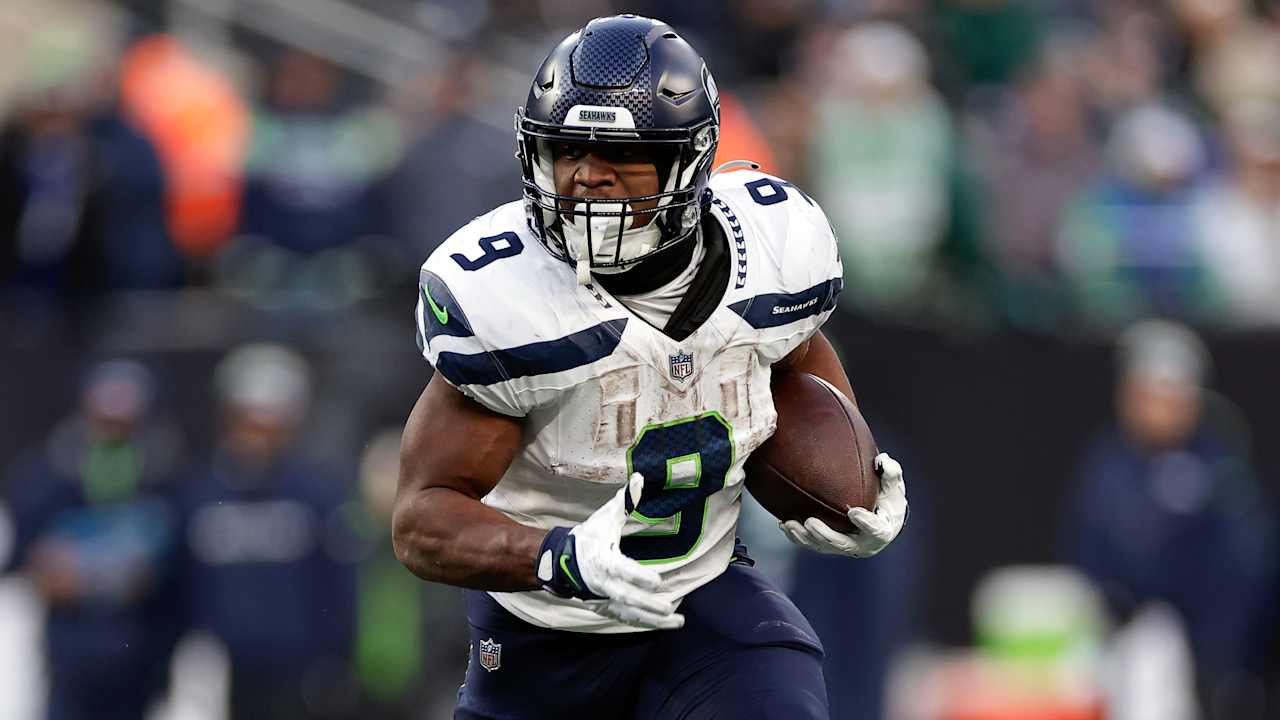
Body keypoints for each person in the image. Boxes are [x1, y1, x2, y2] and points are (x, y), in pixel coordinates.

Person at [392, 15, 909, 719]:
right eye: (567, 150)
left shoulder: (772, 254)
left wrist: (852, 480)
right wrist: (560, 555)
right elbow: (421, 518)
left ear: (687, 163)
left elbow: (796, 354)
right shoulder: (505, 298)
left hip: (703, 599)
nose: (586, 176)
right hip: (544, 636)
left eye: (619, 154)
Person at [1060, 320, 1273, 719]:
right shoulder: (1105, 464)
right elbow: (1085, 551)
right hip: (1118, 646)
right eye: (1143, 395)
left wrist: (1216, 658)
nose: (1155, 408)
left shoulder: (1220, 468)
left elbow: (1243, 566)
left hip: (1204, 658)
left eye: (1167, 396)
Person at [178, 344, 357, 720]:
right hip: (219, 669)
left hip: (297, 671)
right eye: (250, 420)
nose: (258, 435)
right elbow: (180, 584)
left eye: (272, 423)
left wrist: (334, 661)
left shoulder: (317, 494)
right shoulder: (199, 494)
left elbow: (339, 586)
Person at [4, 360, 184, 720]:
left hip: (139, 647)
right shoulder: (48, 478)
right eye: (106, 420)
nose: (114, 432)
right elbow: (24, 557)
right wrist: (45, 571)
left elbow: (178, 562)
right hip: (73, 647)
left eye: (124, 422)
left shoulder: (166, 479)